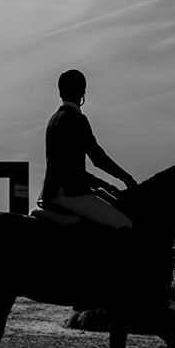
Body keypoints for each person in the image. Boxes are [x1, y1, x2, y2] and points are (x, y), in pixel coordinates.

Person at [41, 68, 136, 230]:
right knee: (126, 225)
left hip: (50, 194)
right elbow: (98, 159)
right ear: (82, 93)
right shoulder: (77, 119)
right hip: (71, 194)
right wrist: (126, 178)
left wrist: (103, 184)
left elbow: (69, 167)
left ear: (60, 92)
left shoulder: (53, 120)